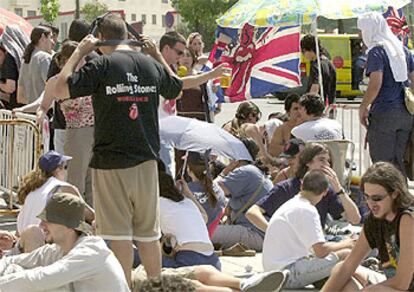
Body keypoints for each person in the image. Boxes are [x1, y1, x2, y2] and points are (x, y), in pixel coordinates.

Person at [54, 14, 223, 287]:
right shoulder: (148, 64)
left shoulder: (101, 65)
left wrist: (78, 53)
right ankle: (155, 285)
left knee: (119, 235)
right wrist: (156, 55)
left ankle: (126, 287)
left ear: (99, 37)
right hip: (146, 161)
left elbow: (61, 89)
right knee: (148, 234)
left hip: (111, 162)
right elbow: (176, 91)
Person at [0, 192, 129, 292]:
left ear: (68, 225)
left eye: (48, 220)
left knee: (45, 286)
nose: (42, 225)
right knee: (14, 270)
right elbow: (10, 261)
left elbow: (40, 279)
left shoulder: (89, 253)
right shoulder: (60, 248)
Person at [321, 162, 414, 291]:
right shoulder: (374, 220)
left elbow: (402, 283)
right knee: (340, 270)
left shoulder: (407, 218)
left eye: (377, 198)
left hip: (405, 286)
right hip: (392, 284)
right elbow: (348, 266)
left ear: (395, 194)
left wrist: (368, 290)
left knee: (373, 290)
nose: (371, 204)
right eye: (367, 197)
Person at [263, 170, 355, 289]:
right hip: (287, 274)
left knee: (332, 254)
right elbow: (320, 251)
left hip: (275, 271)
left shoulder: (291, 204)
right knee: (346, 254)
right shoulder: (308, 210)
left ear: (301, 185)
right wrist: (345, 244)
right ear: (325, 192)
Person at [245, 143, 361, 234]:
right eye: (321, 159)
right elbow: (252, 213)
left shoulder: (327, 191)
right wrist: (275, 232)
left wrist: (339, 188)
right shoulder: (287, 187)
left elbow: (355, 219)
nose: (327, 164)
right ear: (307, 162)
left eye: (328, 161)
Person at [357, 12, 414, 177]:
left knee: (382, 165)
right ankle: (400, 199)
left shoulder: (376, 52)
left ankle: (385, 200)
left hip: (384, 113)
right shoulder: (402, 50)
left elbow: (375, 84)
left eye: (361, 30)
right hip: (406, 113)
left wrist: (363, 106)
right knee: (399, 161)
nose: (359, 34)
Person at [16, 150, 94, 253]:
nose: (66, 172)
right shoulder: (63, 188)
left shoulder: (32, 190)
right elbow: (91, 215)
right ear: (58, 169)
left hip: (24, 244)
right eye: (65, 168)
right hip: (43, 246)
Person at [212, 138, 273, 251]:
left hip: (254, 233)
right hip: (262, 234)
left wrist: (225, 171)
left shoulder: (245, 171)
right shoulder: (255, 171)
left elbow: (212, 191)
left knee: (201, 234)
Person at [133, 264, 287, 292]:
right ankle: (247, 287)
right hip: (130, 277)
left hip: (135, 270)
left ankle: (245, 284)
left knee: (204, 271)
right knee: (188, 283)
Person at [186, 152, 227, 238]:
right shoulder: (219, 191)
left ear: (188, 169)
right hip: (207, 238)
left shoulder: (183, 191)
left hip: (188, 239)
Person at [17, 25, 55, 104]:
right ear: (43, 38)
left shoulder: (25, 60)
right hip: (45, 111)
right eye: (50, 37)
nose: (53, 42)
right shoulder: (44, 58)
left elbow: (20, 97)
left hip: (29, 111)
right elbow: (53, 87)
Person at [301, 34, 337, 105]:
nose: (303, 55)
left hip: (317, 108)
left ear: (310, 49)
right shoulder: (329, 63)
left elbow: (315, 89)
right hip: (330, 106)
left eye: (303, 51)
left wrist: (307, 105)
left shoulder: (316, 65)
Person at [0, 26, 29, 109]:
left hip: (17, 107)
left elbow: (10, 88)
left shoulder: (10, 57)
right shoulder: (26, 56)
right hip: (30, 104)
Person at [268, 93, 301, 157]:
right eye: (296, 109)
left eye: (301, 108)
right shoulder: (282, 129)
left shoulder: (309, 125)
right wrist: (292, 149)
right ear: (288, 112)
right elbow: (272, 150)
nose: (299, 111)